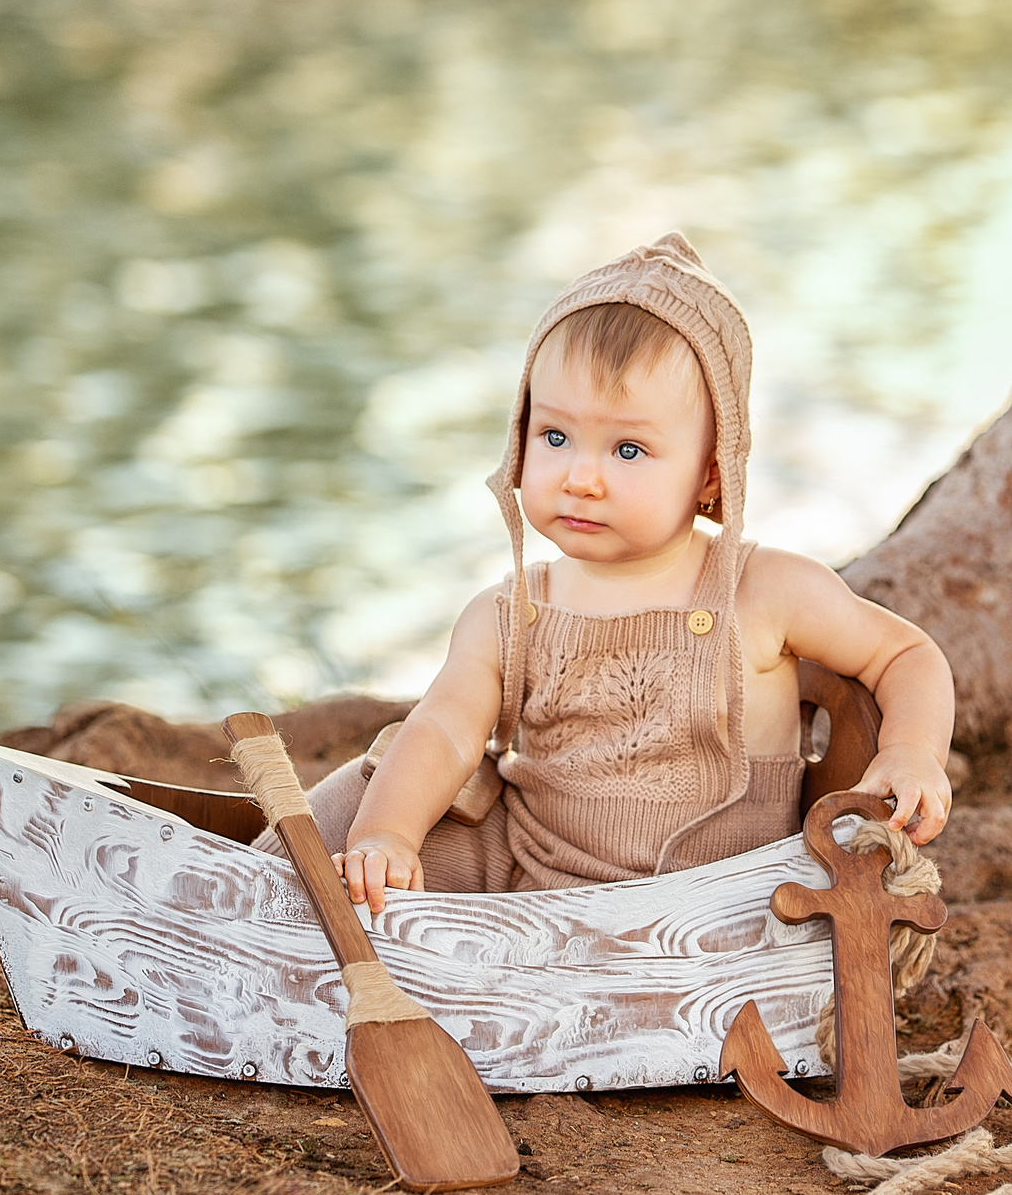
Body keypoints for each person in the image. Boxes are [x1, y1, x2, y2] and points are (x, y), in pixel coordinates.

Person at [257, 232, 955, 912]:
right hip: (533, 877)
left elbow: (905, 653)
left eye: (628, 449)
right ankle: (243, 900)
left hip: (716, 909)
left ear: (712, 474)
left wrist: (912, 752)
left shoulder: (766, 591)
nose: (581, 477)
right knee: (371, 784)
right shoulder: (506, 615)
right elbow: (443, 730)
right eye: (555, 437)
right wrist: (389, 834)